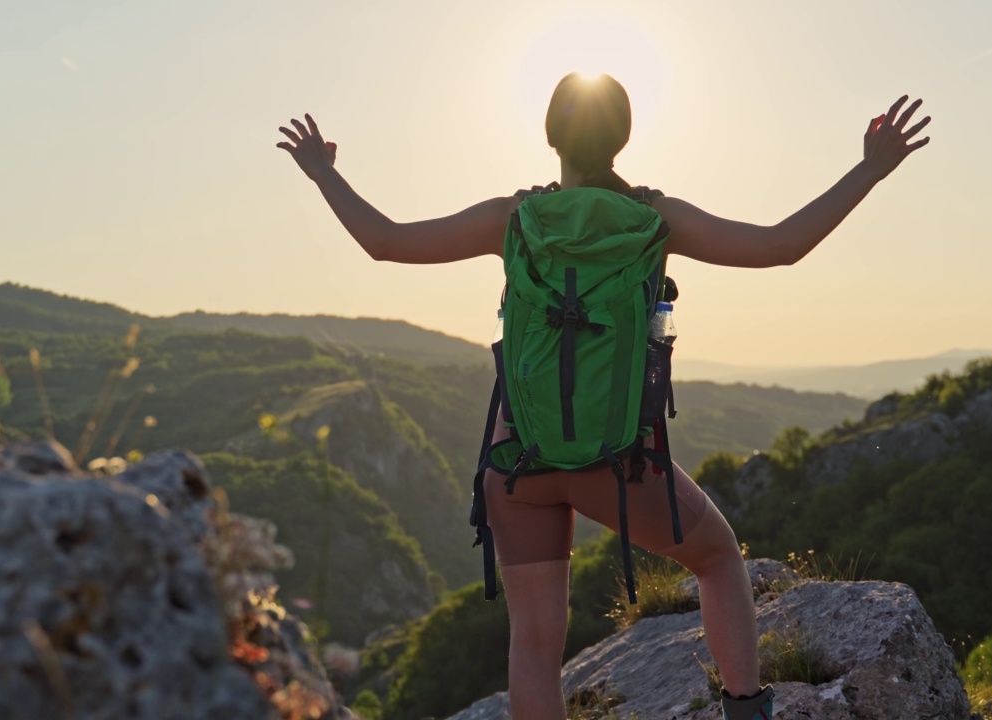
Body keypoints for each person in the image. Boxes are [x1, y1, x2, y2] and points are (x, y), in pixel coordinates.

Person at [276, 72, 930, 720]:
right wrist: (869, 169)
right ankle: (744, 712)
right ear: (622, 138)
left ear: (551, 136)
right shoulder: (653, 219)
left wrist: (322, 173)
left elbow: (385, 242)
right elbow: (779, 247)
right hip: (616, 466)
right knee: (718, 559)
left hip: (518, 462)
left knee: (534, 644)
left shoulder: (515, 219)